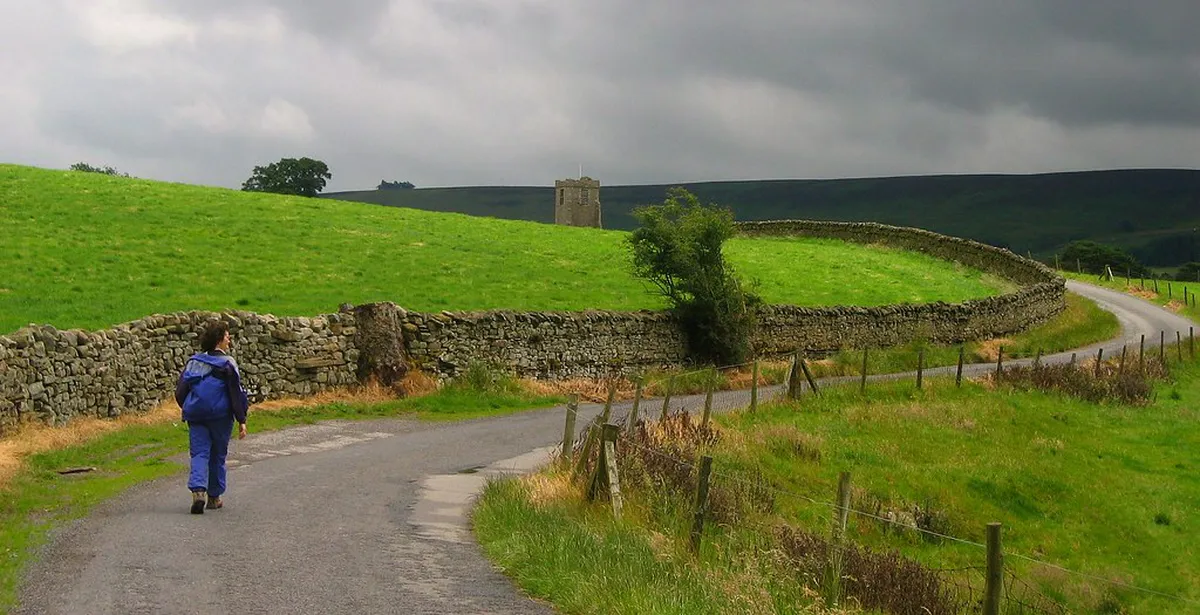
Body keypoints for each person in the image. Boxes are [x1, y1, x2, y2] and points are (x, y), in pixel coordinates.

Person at [175, 321, 249, 514]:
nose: (229, 340)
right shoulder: (228, 363)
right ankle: (214, 497)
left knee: (199, 453)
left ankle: (198, 491)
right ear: (219, 340)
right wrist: (241, 419)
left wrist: (189, 407)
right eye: (227, 337)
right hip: (220, 416)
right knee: (217, 455)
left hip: (196, 415)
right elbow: (235, 393)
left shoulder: (194, 362)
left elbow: (180, 392)